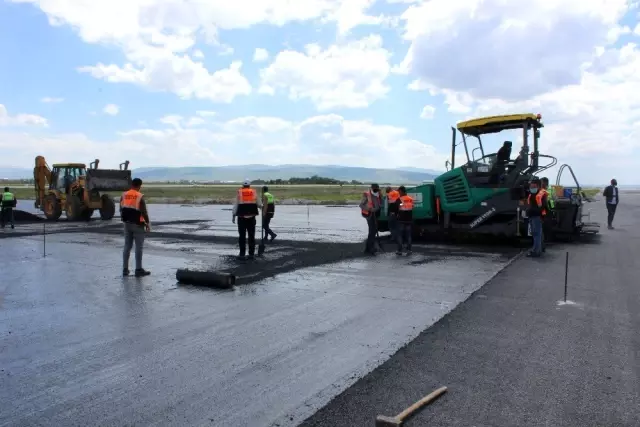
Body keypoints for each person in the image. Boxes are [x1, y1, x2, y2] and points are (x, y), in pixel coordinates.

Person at [120, 178, 151, 277]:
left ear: (131, 185)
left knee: (127, 246)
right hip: (138, 224)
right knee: (139, 247)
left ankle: (125, 269)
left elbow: (121, 209)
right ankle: (138, 269)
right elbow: (144, 212)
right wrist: (147, 223)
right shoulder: (139, 196)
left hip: (126, 224)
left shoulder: (124, 195)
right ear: (139, 186)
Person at [232, 180, 262, 260]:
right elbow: (259, 205)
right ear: (249, 185)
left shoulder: (239, 192)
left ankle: (242, 254)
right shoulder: (254, 192)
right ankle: (251, 254)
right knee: (251, 236)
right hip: (252, 217)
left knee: (242, 236)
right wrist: (263, 209)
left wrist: (233, 216)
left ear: (242, 186)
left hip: (241, 217)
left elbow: (236, 205)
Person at [526, 178, 547, 258]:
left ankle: (536, 251)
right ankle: (540, 249)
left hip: (537, 216)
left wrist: (532, 211)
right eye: (531, 186)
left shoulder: (540, 195)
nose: (531, 187)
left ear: (538, 186)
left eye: (533, 186)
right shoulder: (533, 194)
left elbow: (542, 207)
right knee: (538, 234)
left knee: (536, 234)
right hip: (533, 216)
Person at [359, 183, 382, 255]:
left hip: (376, 215)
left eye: (377, 189)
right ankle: (370, 248)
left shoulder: (379, 194)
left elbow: (379, 203)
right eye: (374, 189)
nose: (376, 190)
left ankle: (369, 247)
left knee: (374, 230)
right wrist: (369, 209)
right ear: (371, 188)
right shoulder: (367, 195)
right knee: (372, 230)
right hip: (369, 215)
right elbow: (361, 205)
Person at [395, 186, 413, 255]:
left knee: (400, 235)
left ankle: (399, 250)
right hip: (409, 219)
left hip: (401, 220)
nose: (398, 193)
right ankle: (409, 250)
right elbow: (412, 207)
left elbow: (397, 208)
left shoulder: (399, 199)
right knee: (408, 235)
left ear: (402, 191)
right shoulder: (410, 199)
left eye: (399, 192)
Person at [540, 177, 555, 251]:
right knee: (545, 228)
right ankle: (544, 243)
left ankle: (544, 243)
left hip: (546, 211)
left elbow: (545, 202)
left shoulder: (543, 191)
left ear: (544, 183)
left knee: (544, 228)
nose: (541, 184)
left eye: (541, 182)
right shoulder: (550, 190)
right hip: (549, 210)